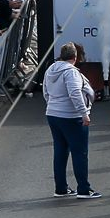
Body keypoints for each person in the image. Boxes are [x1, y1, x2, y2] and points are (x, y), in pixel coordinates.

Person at [42, 42, 100, 199]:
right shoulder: (71, 72)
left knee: (60, 151)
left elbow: (45, 91)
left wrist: (52, 105)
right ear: (75, 57)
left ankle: (61, 188)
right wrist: (83, 113)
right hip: (71, 116)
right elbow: (74, 92)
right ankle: (84, 189)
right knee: (79, 152)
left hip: (53, 114)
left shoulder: (51, 69)